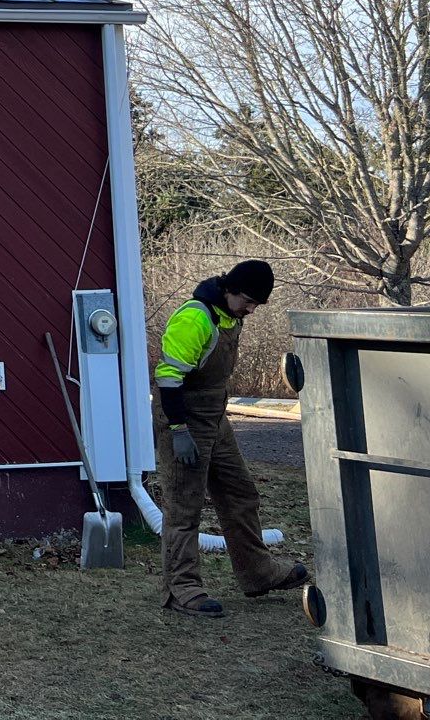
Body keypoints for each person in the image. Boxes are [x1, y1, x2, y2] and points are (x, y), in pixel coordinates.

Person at [153, 259, 307, 617]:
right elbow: (168, 377)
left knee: (240, 493)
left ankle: (258, 572)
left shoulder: (229, 316)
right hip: (184, 419)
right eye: (249, 301)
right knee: (183, 507)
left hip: (214, 419)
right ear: (230, 289)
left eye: (257, 304)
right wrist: (178, 431)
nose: (251, 310)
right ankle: (182, 590)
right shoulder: (195, 319)